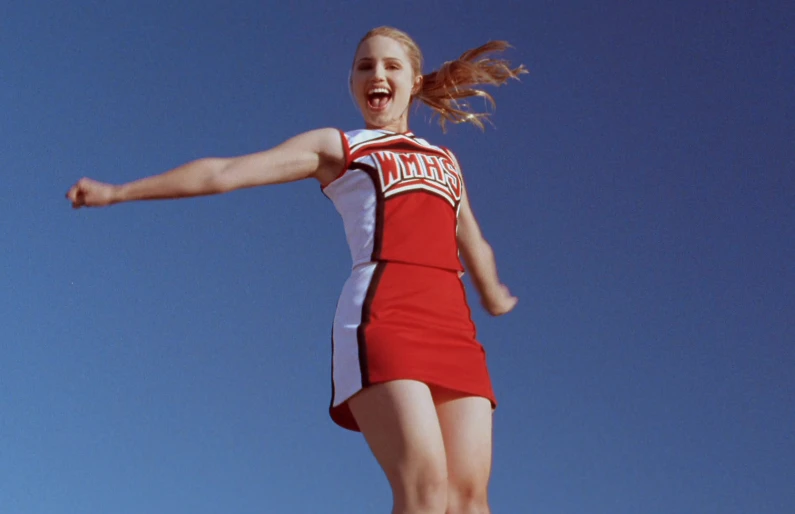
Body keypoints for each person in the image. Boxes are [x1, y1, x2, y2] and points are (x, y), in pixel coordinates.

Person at [67, 26, 524, 514]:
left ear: (414, 81)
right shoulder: (341, 147)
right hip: (385, 314)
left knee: (470, 500)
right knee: (426, 490)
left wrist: (493, 293)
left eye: (392, 65)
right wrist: (119, 192)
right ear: (352, 82)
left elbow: (473, 241)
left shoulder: (445, 162)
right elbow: (223, 173)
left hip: (454, 328)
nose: (377, 74)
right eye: (365, 66)